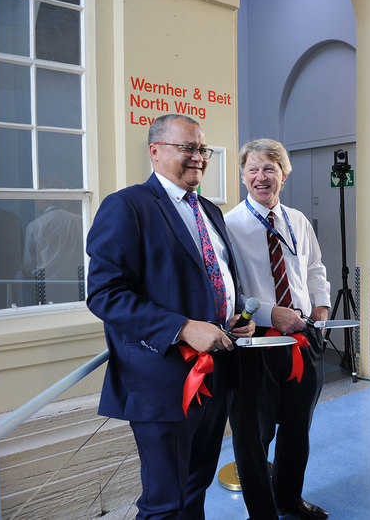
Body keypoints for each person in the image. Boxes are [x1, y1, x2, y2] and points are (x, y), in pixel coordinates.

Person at [86, 114, 254, 519]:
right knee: (165, 502)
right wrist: (181, 328)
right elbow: (104, 294)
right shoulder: (127, 207)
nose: (198, 157)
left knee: (196, 486)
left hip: (216, 374)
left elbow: (211, 280)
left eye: (203, 149)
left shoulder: (210, 211)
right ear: (155, 152)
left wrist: (235, 316)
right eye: (187, 148)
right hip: (162, 382)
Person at [225, 138, 331, 520]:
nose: (260, 177)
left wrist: (321, 302)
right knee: (253, 438)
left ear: (283, 175)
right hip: (257, 345)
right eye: (252, 169)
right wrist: (271, 313)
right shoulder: (228, 226)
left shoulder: (298, 220)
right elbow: (227, 291)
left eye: (269, 168)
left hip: (304, 340)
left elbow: (315, 267)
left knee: (297, 429)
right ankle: (264, 513)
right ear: (242, 177)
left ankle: (288, 498)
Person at [22, 180, 84, 305]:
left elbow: (27, 266)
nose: (36, 202)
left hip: (46, 287)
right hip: (77, 285)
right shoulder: (81, 222)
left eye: (37, 198)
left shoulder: (35, 226)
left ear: (45, 199)